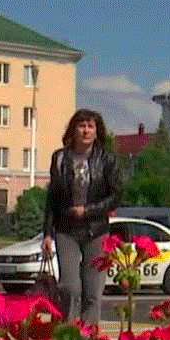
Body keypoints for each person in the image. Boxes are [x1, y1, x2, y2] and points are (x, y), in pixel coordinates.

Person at [41, 109, 122, 326]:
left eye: (90, 126)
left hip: (96, 230)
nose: (86, 130)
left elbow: (115, 196)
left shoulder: (107, 160)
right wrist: (47, 233)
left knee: (93, 290)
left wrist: (89, 210)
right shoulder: (59, 158)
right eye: (82, 125)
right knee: (69, 286)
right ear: (74, 129)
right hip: (67, 230)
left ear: (97, 132)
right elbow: (53, 197)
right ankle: (68, 335)